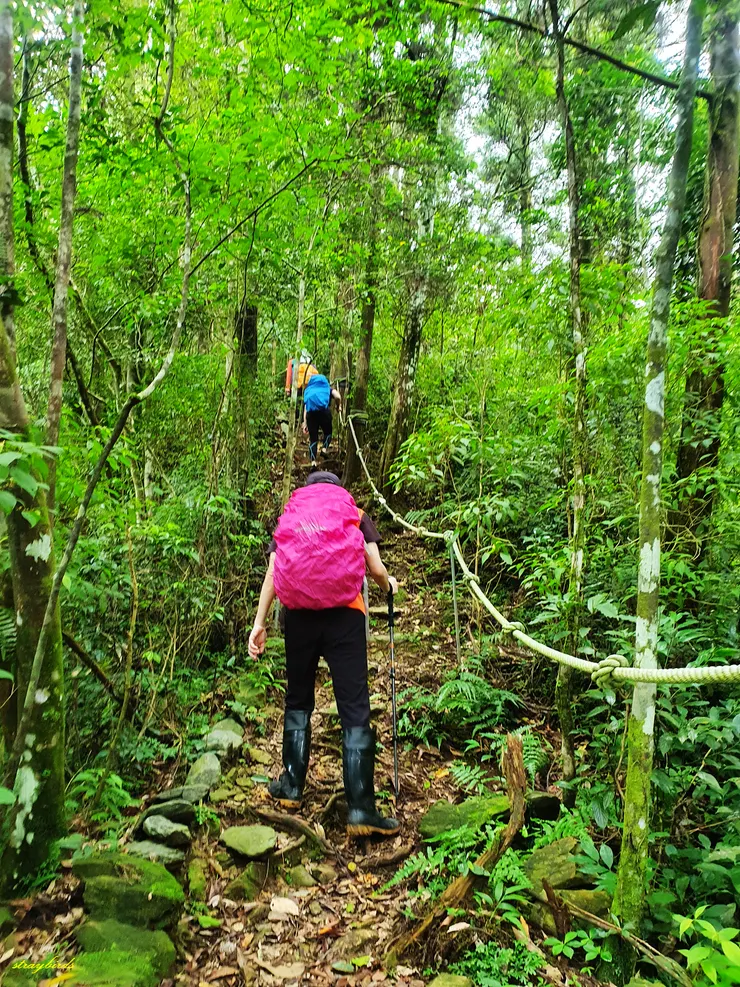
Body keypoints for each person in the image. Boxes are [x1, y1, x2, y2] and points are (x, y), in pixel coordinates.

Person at [248, 471, 400, 838]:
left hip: (298, 617)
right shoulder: (354, 511)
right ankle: (361, 808)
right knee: (353, 707)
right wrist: (387, 584)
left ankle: (291, 788)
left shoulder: (292, 515)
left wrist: (259, 623)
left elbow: (273, 570)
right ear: (336, 489)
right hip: (345, 616)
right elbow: (374, 566)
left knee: (298, 699)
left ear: (308, 490)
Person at [301, 373, 341, 466]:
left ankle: (313, 462)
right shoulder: (327, 389)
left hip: (311, 415)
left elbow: (306, 408)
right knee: (328, 432)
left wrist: (305, 422)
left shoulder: (308, 391)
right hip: (324, 412)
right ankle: (324, 449)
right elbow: (338, 396)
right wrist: (338, 405)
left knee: (313, 438)